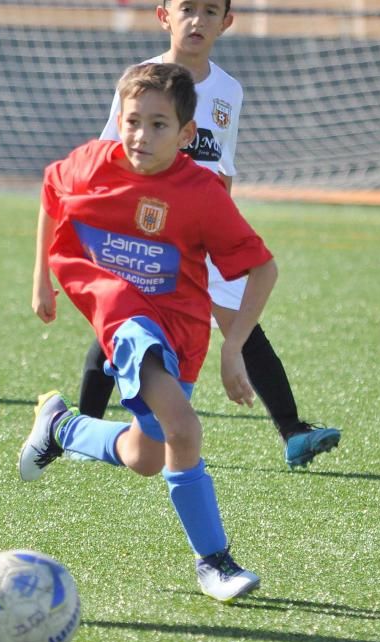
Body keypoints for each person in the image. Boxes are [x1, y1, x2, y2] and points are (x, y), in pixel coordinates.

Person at [21, 62, 277, 603]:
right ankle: (215, 562)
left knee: (147, 455)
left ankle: (61, 427)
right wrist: (42, 277)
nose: (140, 135)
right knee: (183, 430)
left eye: (159, 125)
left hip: (181, 328)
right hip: (122, 316)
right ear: (119, 117)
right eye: (132, 120)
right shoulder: (92, 164)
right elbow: (51, 188)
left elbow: (262, 268)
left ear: (187, 136)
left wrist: (233, 348)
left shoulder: (202, 193)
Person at [76, 0, 341, 468]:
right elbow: (107, 153)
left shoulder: (229, 91)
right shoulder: (139, 81)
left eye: (210, 11)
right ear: (164, 17)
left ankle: (293, 432)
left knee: (240, 318)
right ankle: (84, 429)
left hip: (201, 232)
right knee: (119, 323)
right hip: (146, 231)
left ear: (227, 22)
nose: (197, 20)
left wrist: (224, 229)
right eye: (187, 8)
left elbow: (223, 166)